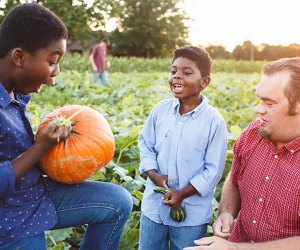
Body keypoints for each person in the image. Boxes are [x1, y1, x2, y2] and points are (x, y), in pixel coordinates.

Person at [0, 4, 132, 250]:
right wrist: (41, 148)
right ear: (19, 57)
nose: (55, 74)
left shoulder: (13, 93)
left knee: (118, 201)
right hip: (11, 222)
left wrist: (69, 158)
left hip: (34, 195)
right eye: (52, 62)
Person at [184, 57, 300, 250]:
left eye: (269, 103)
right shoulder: (254, 133)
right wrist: (226, 213)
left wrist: (236, 249)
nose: (258, 109)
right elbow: (234, 178)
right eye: (259, 99)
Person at [138, 45, 228, 250]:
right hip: (154, 206)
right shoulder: (160, 110)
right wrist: (153, 174)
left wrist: (183, 193)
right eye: (173, 71)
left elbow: (213, 170)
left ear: (204, 82)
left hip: (191, 214)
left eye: (186, 73)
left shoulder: (214, 121)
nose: (177, 77)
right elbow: (145, 144)